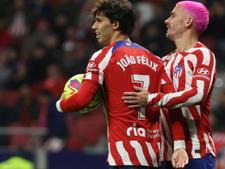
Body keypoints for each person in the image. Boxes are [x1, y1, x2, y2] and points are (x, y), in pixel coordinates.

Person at [55, 0, 180, 168]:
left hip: (125, 156)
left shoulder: (103, 56)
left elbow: (83, 99)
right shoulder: (156, 60)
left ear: (115, 24)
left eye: (99, 21)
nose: (94, 27)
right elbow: (173, 104)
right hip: (154, 156)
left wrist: (60, 104)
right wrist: (179, 145)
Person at [123, 1, 216, 169]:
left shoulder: (202, 54)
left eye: (172, 16)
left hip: (196, 152)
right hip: (166, 154)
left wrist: (151, 98)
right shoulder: (164, 61)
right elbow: (164, 107)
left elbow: (197, 94)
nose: (166, 20)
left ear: (188, 21)